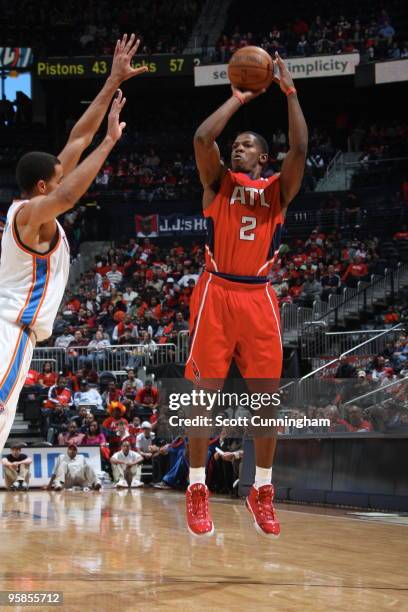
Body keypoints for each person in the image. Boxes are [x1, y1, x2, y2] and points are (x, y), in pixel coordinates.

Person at [0, 33, 147, 454]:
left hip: (15, 332)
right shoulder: (30, 216)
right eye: (59, 178)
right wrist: (110, 142)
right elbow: (68, 195)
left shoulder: (32, 212)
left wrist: (112, 80)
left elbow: (77, 138)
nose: (66, 179)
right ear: (42, 186)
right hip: (8, 331)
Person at [185, 52, 307, 536]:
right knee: (202, 399)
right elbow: (201, 137)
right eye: (235, 144)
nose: (238, 149)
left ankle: (262, 489)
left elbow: (299, 149)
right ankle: (197, 488)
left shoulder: (278, 190)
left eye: (248, 145)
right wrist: (236, 99)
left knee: (265, 401)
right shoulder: (217, 183)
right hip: (216, 292)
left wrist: (290, 93)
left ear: (263, 158)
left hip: (258, 298)